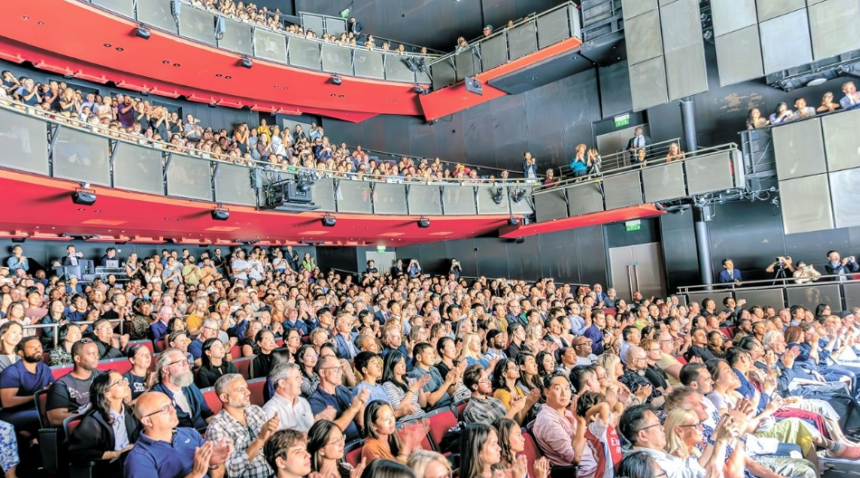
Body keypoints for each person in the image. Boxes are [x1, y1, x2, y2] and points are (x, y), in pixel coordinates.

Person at [123, 391, 232, 478]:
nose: (173, 411)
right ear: (147, 421)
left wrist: (214, 463)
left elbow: (215, 471)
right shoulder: (139, 457)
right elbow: (198, 473)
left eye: (171, 405)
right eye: (165, 409)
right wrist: (195, 475)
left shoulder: (190, 433)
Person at [205, 374, 279, 478]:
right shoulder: (217, 427)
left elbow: (272, 447)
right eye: (240, 390)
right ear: (224, 397)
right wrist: (260, 440)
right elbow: (231, 471)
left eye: (246, 388)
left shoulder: (256, 410)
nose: (248, 392)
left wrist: (272, 436)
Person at [68, 372, 140, 478]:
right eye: (119, 382)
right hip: (110, 467)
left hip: (132, 460)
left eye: (124, 380)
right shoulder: (93, 421)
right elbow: (78, 453)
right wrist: (116, 454)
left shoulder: (129, 412)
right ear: (107, 394)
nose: (125, 383)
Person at [0, 336, 54, 437]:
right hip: (13, 413)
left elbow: (51, 389)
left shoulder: (45, 368)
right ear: (21, 353)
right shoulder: (11, 372)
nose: (38, 349)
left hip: (38, 409)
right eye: (32, 347)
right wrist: (37, 396)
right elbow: (7, 402)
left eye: (39, 346)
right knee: (48, 417)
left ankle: (31, 438)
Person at [150, 348, 214, 430]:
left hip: (203, 432)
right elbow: (162, 431)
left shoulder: (190, 386)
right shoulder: (155, 396)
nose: (186, 365)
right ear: (166, 369)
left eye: (186, 361)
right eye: (180, 362)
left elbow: (207, 414)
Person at [47, 338, 103, 427]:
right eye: (91, 354)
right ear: (77, 358)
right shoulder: (62, 385)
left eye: (97, 353)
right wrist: (92, 418)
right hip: (81, 429)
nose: (97, 357)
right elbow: (55, 418)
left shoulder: (103, 376)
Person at [360, 400, 425, 464]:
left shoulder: (392, 436)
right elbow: (393, 474)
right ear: (373, 426)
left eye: (392, 415)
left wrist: (415, 446)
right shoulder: (370, 449)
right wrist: (405, 450)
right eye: (386, 419)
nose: (391, 421)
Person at [463, 364, 529, 426]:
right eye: (485, 380)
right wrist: (513, 409)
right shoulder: (473, 411)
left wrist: (517, 409)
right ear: (475, 386)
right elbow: (496, 435)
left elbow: (514, 424)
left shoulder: (495, 400)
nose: (490, 382)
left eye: (488, 378)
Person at [263, 363, 314, 432]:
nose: (301, 381)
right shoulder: (271, 410)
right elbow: (278, 442)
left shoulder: (303, 402)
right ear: (282, 383)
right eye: (296, 378)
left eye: (300, 377)